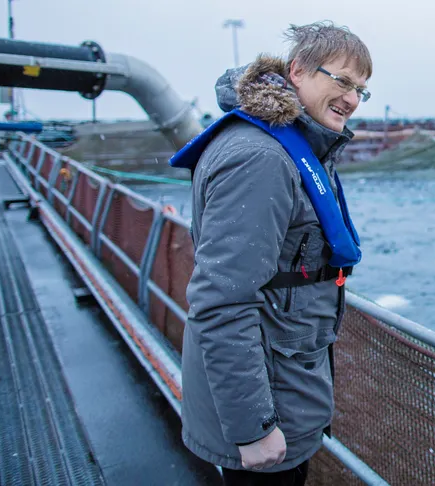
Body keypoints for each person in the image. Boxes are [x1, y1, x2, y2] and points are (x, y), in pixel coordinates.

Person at [167, 21, 372, 486]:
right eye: (342, 80)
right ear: (297, 70)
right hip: (268, 407)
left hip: (284, 387)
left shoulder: (280, 143)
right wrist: (254, 427)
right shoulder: (262, 157)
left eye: (361, 89)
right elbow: (221, 299)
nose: (352, 99)